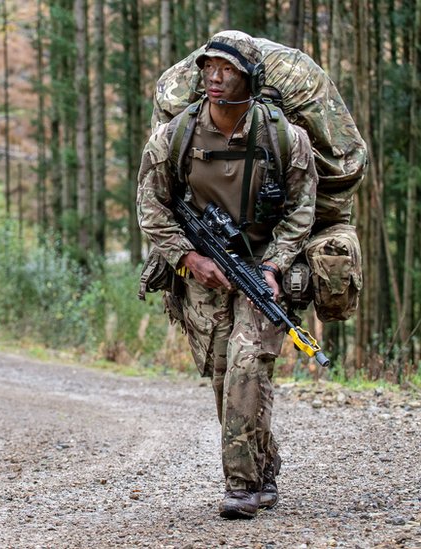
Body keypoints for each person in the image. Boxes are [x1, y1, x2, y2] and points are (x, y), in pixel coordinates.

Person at [136, 31, 318, 519]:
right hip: (202, 273)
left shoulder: (284, 138)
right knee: (224, 378)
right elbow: (151, 208)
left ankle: (241, 487)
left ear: (250, 77)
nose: (215, 78)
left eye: (228, 69)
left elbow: (302, 209)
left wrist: (275, 264)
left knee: (245, 365)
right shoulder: (175, 137)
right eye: (209, 68)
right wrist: (187, 258)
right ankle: (264, 466)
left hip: (262, 271)